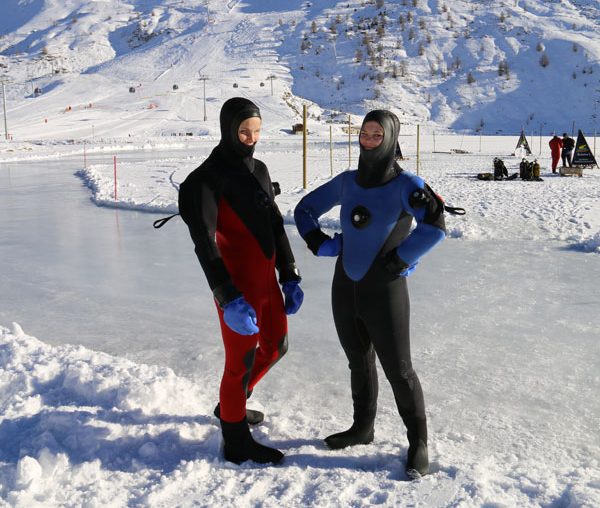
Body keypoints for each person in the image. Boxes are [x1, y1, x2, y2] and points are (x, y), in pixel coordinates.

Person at [294, 110, 447, 479]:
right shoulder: (347, 182)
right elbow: (305, 210)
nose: (369, 139)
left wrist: (401, 259)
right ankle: (362, 428)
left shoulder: (406, 183)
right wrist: (319, 242)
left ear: (391, 138)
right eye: (365, 133)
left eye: (377, 134)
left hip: (385, 290)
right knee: (358, 362)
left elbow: (436, 225)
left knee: (400, 369)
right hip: (345, 286)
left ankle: (419, 443)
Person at [178, 97, 304, 465]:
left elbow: (275, 224)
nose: (251, 138)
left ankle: (231, 407)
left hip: (267, 284)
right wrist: (227, 297)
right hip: (237, 291)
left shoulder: (260, 170)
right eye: (244, 131)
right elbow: (204, 244)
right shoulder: (206, 179)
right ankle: (234, 441)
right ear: (228, 129)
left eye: (257, 131)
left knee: (275, 347)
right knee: (238, 363)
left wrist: (290, 272)